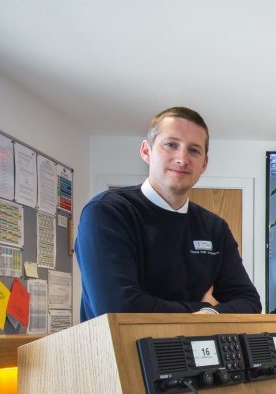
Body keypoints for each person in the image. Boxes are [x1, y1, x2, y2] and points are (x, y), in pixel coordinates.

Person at [75, 106, 261, 320]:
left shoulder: (214, 228)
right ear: (146, 151)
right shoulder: (107, 213)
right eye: (171, 145)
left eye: (194, 150)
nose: (182, 159)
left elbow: (249, 302)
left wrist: (207, 311)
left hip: (193, 353)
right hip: (119, 352)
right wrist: (202, 309)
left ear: (204, 164)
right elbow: (119, 309)